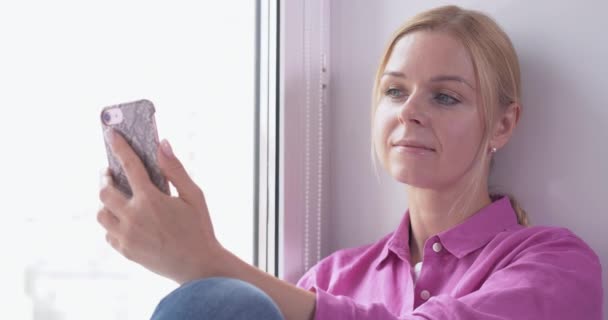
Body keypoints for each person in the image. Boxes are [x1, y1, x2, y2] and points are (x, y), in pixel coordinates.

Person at [96, 5, 603, 320]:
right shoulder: (331, 277)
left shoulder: (555, 262)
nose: (408, 111)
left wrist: (206, 261)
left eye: (445, 97)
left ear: (502, 124)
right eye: (395, 91)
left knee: (223, 298)